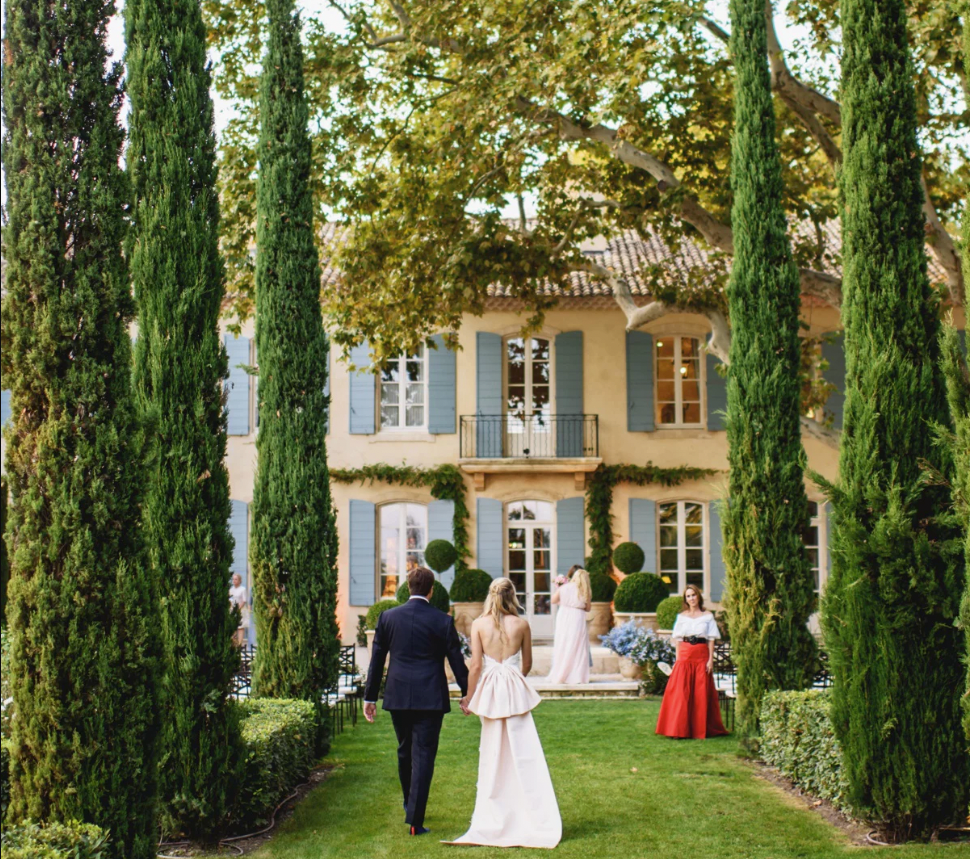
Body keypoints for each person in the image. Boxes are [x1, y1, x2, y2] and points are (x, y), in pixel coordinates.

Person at [445, 577, 562, 849]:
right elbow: (528, 663)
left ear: (490, 595)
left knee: (493, 754)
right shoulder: (521, 624)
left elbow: (475, 666)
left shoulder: (478, 625)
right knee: (524, 752)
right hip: (513, 691)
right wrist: (512, 682)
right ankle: (529, 813)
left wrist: (470, 696)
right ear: (513, 596)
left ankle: (496, 813)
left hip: (491, 691)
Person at [363, 566, 469, 836]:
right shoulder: (442, 620)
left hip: (398, 694)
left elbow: (376, 661)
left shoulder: (388, 617)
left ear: (408, 588)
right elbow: (456, 660)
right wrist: (468, 692)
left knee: (404, 750)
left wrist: (370, 696)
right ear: (431, 590)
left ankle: (410, 805)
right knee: (423, 755)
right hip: (430, 696)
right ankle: (414, 820)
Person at [655, 584, 728, 739]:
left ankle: (699, 728)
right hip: (685, 655)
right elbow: (678, 640)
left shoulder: (707, 616)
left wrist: (710, 660)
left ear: (698, 596)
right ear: (685, 599)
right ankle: (678, 729)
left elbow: (711, 639)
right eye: (688, 596)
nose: (691, 598)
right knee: (681, 693)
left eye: (693, 595)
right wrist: (677, 660)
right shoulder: (682, 617)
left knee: (701, 692)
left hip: (701, 655)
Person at [546, 565, 592, 685]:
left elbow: (553, 600)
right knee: (578, 645)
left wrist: (564, 601)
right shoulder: (585, 591)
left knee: (563, 643)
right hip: (578, 617)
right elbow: (588, 608)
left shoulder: (564, 588)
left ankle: (560, 673)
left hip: (564, 615)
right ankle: (577, 676)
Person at [229, 574, 248, 647]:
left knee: (240, 627)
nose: (234, 581)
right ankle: (234, 643)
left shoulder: (243, 589)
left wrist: (238, 609)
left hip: (240, 610)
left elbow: (244, 600)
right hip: (232, 610)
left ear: (240, 580)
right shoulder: (231, 589)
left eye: (236, 579)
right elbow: (230, 599)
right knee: (233, 626)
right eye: (233, 579)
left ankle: (240, 643)